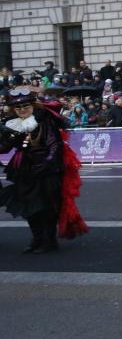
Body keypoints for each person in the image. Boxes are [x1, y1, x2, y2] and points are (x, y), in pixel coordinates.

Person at [0, 87, 88, 253]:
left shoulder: (44, 122)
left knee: (47, 207)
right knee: (29, 207)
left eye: (26, 106)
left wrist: (46, 163)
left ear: (33, 106)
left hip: (45, 170)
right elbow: (5, 147)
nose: (22, 110)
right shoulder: (13, 125)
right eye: (18, 107)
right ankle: (37, 239)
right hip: (23, 170)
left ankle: (49, 241)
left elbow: (54, 145)